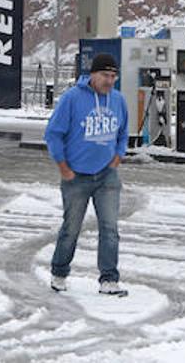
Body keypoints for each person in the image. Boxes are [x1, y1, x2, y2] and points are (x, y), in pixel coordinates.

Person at [45, 52, 129, 296]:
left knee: (110, 228)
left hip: (107, 176)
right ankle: (59, 272)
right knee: (71, 227)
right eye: (105, 75)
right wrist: (63, 167)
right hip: (76, 176)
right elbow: (53, 134)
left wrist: (118, 155)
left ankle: (109, 279)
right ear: (92, 75)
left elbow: (123, 132)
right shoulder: (72, 99)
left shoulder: (118, 100)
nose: (109, 80)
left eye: (113, 76)